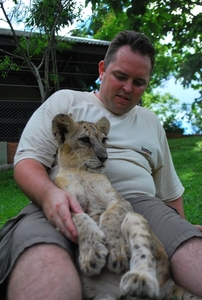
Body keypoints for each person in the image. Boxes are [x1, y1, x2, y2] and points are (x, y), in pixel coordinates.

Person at [0, 30, 202, 300]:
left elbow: (169, 192)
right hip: (64, 198)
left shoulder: (150, 121)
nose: (128, 88)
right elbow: (26, 162)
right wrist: (50, 196)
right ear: (103, 69)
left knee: (191, 251)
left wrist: (180, 230)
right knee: (43, 260)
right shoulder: (66, 101)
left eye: (139, 82)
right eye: (120, 76)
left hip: (138, 203)